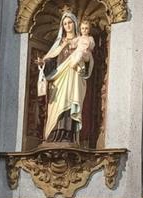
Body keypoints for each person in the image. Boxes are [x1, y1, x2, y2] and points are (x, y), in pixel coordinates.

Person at [36, 9, 92, 142]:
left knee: (71, 102)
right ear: (62, 26)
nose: (67, 26)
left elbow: (88, 58)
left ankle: (69, 135)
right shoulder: (60, 42)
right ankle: (54, 135)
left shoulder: (81, 40)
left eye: (70, 23)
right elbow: (52, 58)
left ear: (75, 24)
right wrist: (43, 62)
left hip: (74, 75)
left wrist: (85, 57)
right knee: (57, 104)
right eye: (65, 23)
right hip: (59, 77)